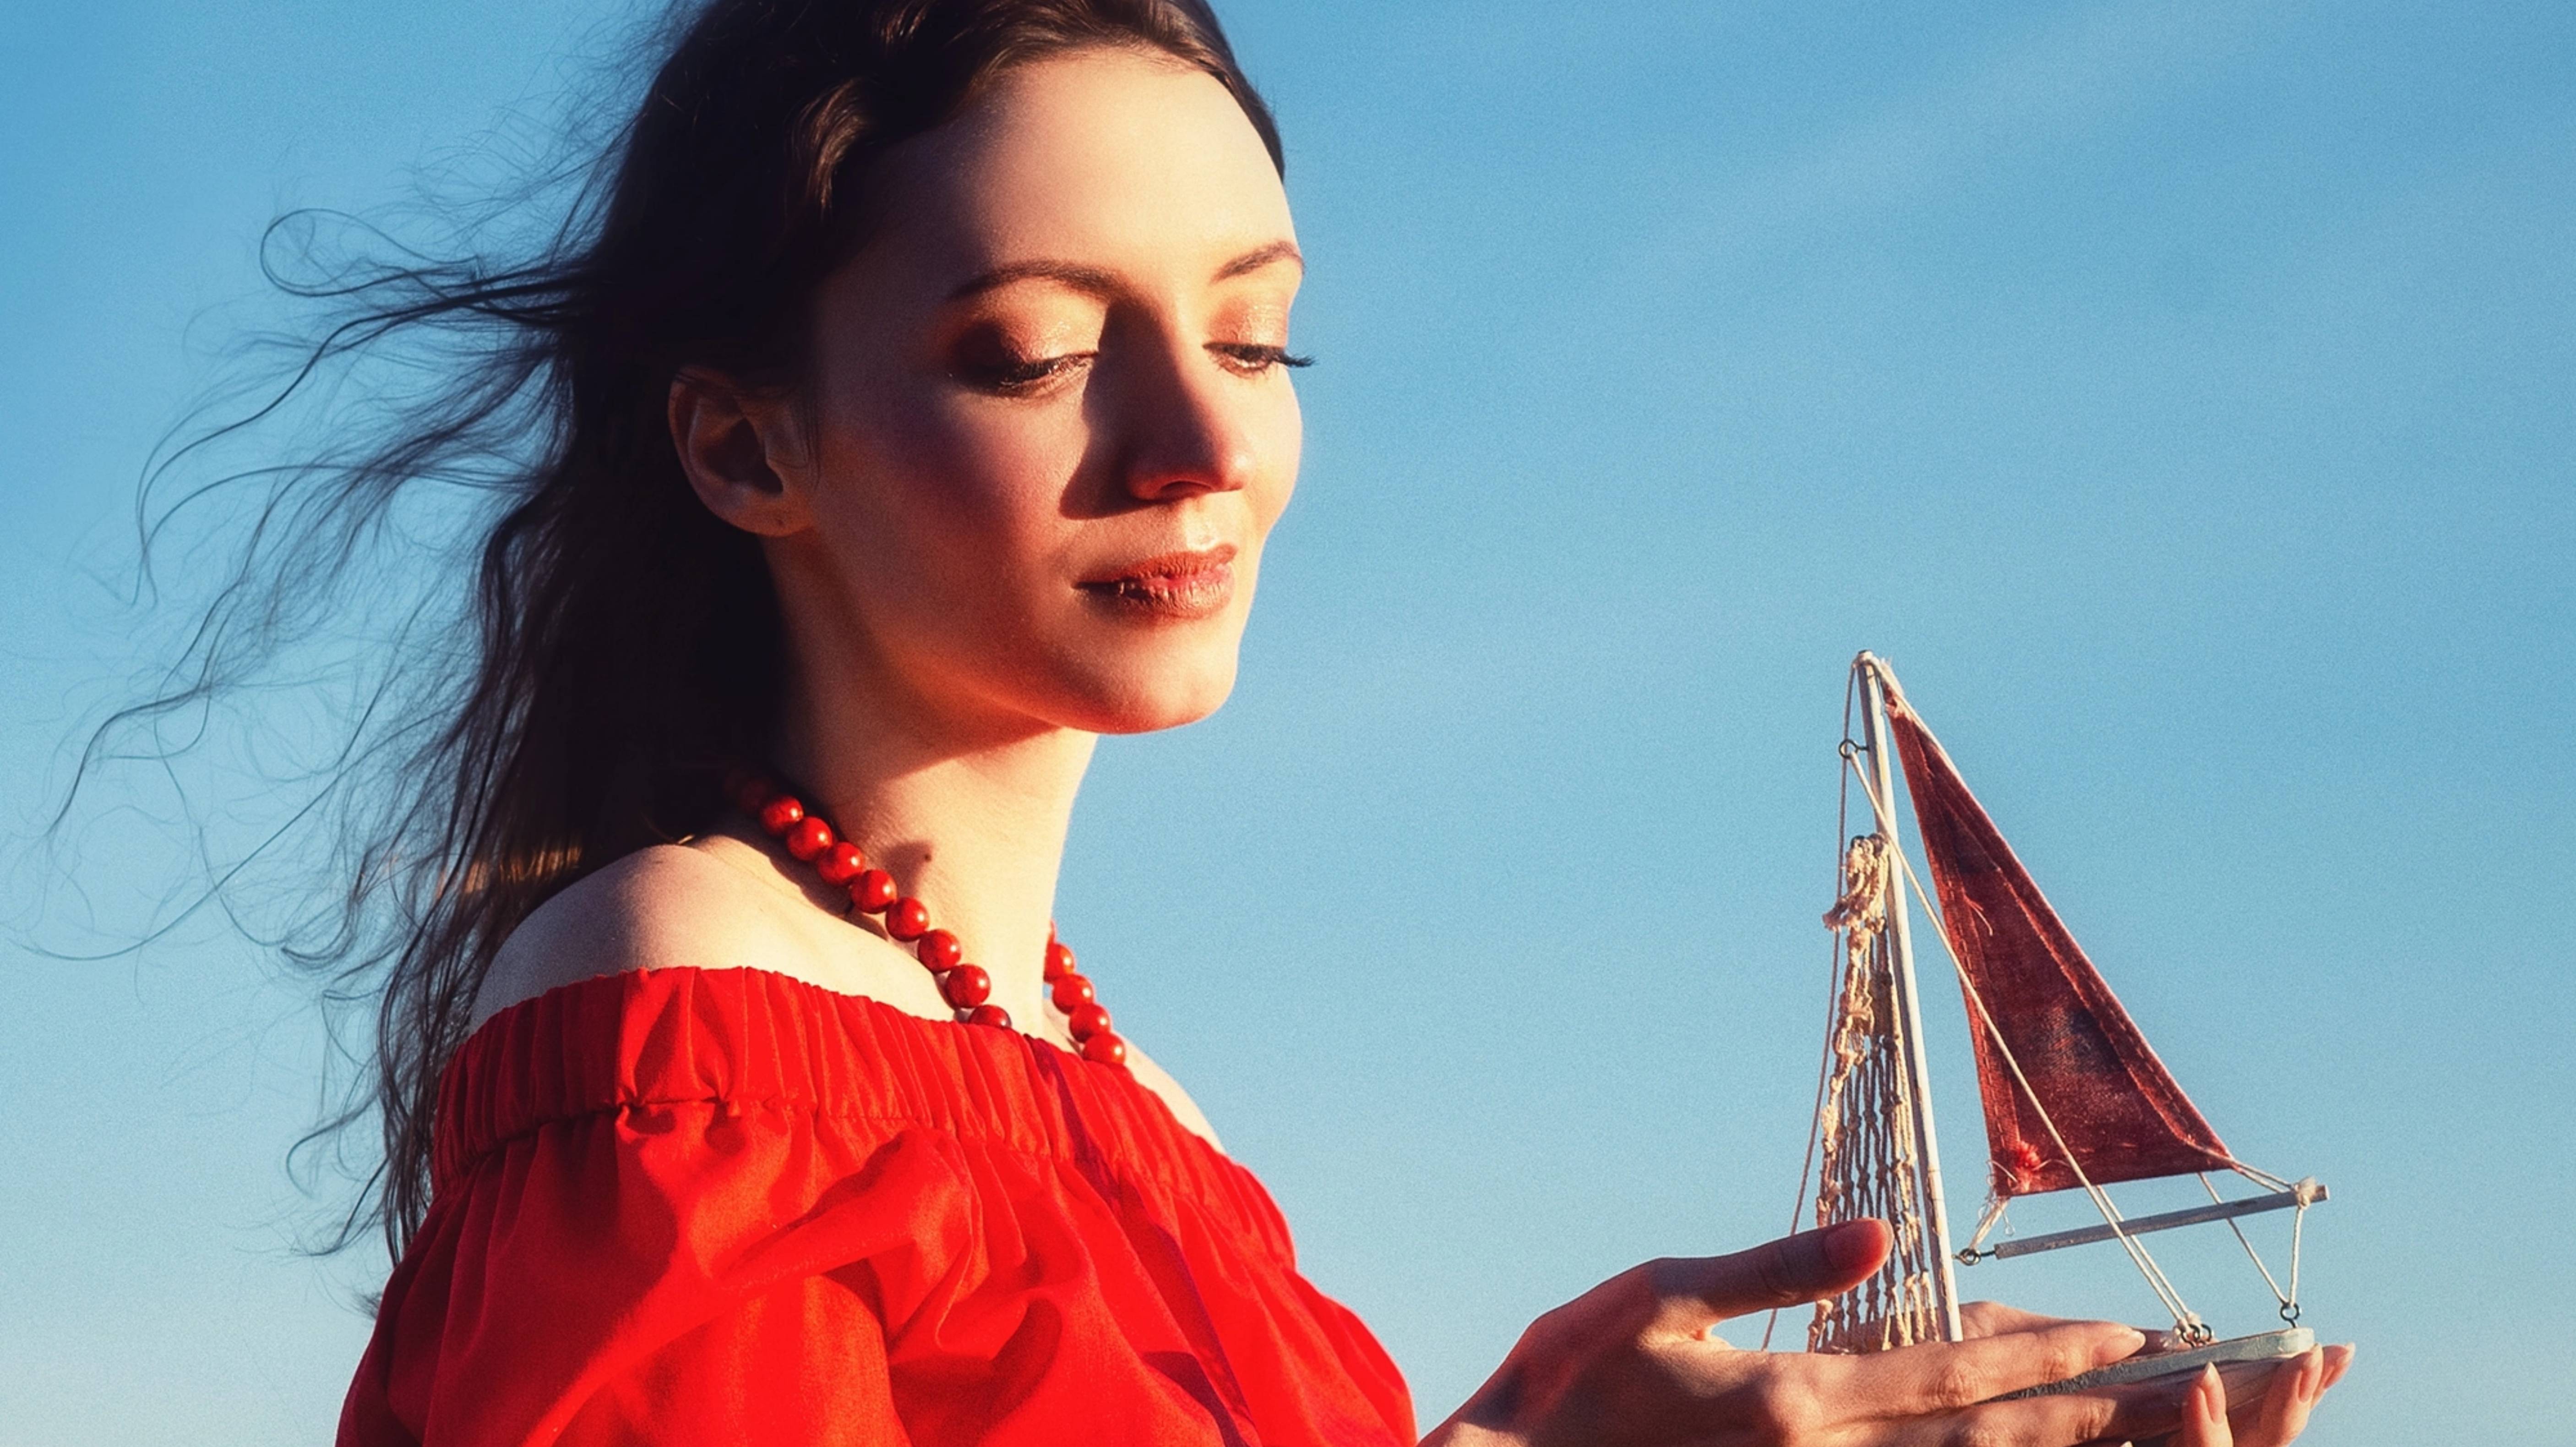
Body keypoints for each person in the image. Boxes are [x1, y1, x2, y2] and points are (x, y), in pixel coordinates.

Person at [283, 1, 2353, 1442]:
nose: (1201, 441)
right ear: (747, 446)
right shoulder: (688, 1022)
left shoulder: (1166, 1136)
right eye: (1037, 352)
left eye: (1256, 336)